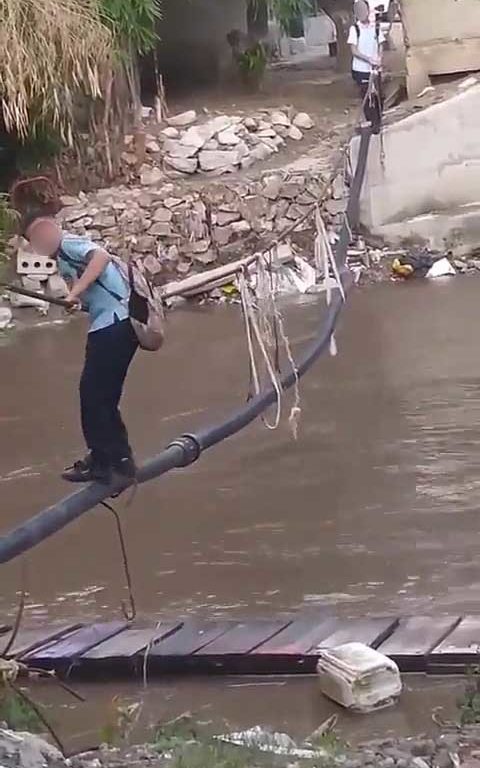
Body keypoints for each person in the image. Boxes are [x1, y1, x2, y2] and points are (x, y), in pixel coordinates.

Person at [22, 209, 138, 485]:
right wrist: (79, 301)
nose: (43, 240)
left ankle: (102, 461)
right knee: (104, 397)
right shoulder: (63, 259)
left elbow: (101, 257)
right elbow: (95, 287)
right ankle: (120, 460)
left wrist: (74, 292)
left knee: (92, 395)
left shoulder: (68, 243)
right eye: (35, 239)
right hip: (116, 323)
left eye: (44, 231)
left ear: (54, 227)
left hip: (113, 324)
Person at [347, 0, 384, 135]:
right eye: (359, 10)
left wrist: (379, 58)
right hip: (361, 70)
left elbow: (380, 44)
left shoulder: (376, 27)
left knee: (379, 95)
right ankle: (372, 125)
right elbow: (354, 50)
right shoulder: (354, 29)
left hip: (375, 69)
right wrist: (369, 59)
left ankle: (378, 123)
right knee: (367, 98)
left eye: (364, 9)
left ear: (368, 11)